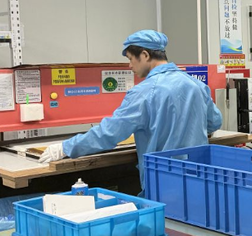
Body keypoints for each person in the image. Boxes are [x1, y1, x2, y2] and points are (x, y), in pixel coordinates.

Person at [39, 30, 224, 187]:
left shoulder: (143, 92)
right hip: (199, 176)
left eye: (130, 59)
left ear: (144, 55)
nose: (129, 66)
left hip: (164, 182)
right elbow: (215, 122)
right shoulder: (196, 84)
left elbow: (110, 133)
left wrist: (65, 148)